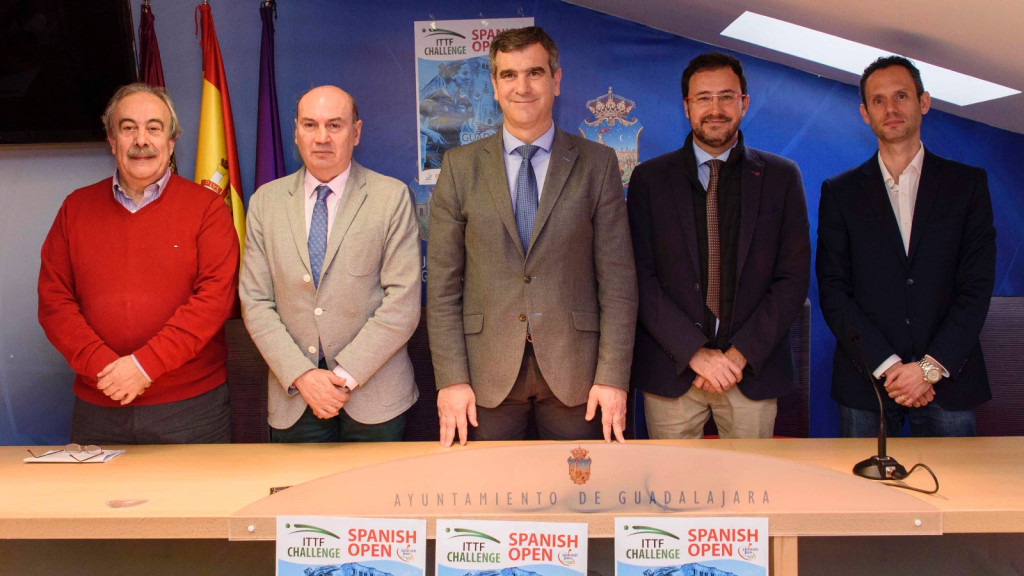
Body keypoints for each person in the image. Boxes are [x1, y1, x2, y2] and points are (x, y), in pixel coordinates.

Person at [427, 26, 638, 446]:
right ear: (494, 86)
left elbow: (618, 283)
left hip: (578, 378)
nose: (521, 87)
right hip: (485, 378)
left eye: (534, 73)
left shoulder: (597, 164)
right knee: (489, 489)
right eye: (509, 75)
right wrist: (451, 379)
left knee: (579, 487)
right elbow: (443, 288)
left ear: (556, 80)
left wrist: (613, 377)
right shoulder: (459, 167)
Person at [38, 83, 239, 444]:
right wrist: (107, 370)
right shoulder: (75, 208)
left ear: (171, 141)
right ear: (112, 140)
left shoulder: (207, 209)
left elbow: (214, 300)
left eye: (153, 128)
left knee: (198, 488)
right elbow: (54, 303)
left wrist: (144, 366)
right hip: (100, 403)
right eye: (128, 127)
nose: (141, 140)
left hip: (190, 409)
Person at [627, 52, 810, 439]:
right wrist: (694, 352)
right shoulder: (648, 180)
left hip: (751, 372)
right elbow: (639, 277)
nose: (715, 109)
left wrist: (738, 356)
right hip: (673, 371)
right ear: (686, 106)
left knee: (751, 479)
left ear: (744, 103)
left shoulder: (781, 177)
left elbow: (792, 279)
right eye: (703, 98)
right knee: (673, 480)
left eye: (726, 96)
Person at [817, 56, 996, 437]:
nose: (891, 109)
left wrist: (929, 369)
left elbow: (976, 287)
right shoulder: (839, 192)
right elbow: (833, 290)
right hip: (867, 381)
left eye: (901, 96)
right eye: (878, 100)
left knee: (954, 478)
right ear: (865, 113)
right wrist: (891, 367)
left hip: (948, 380)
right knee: (864, 480)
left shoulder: (967, 186)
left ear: (923, 102)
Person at [240, 86, 421, 442]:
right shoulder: (265, 203)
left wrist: (343, 377)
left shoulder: (391, 198)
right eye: (310, 125)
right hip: (295, 394)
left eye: (334, 125)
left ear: (356, 132)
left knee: (375, 483)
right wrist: (303, 376)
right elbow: (256, 302)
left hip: (375, 396)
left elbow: (402, 303)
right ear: (296, 132)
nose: (321, 137)